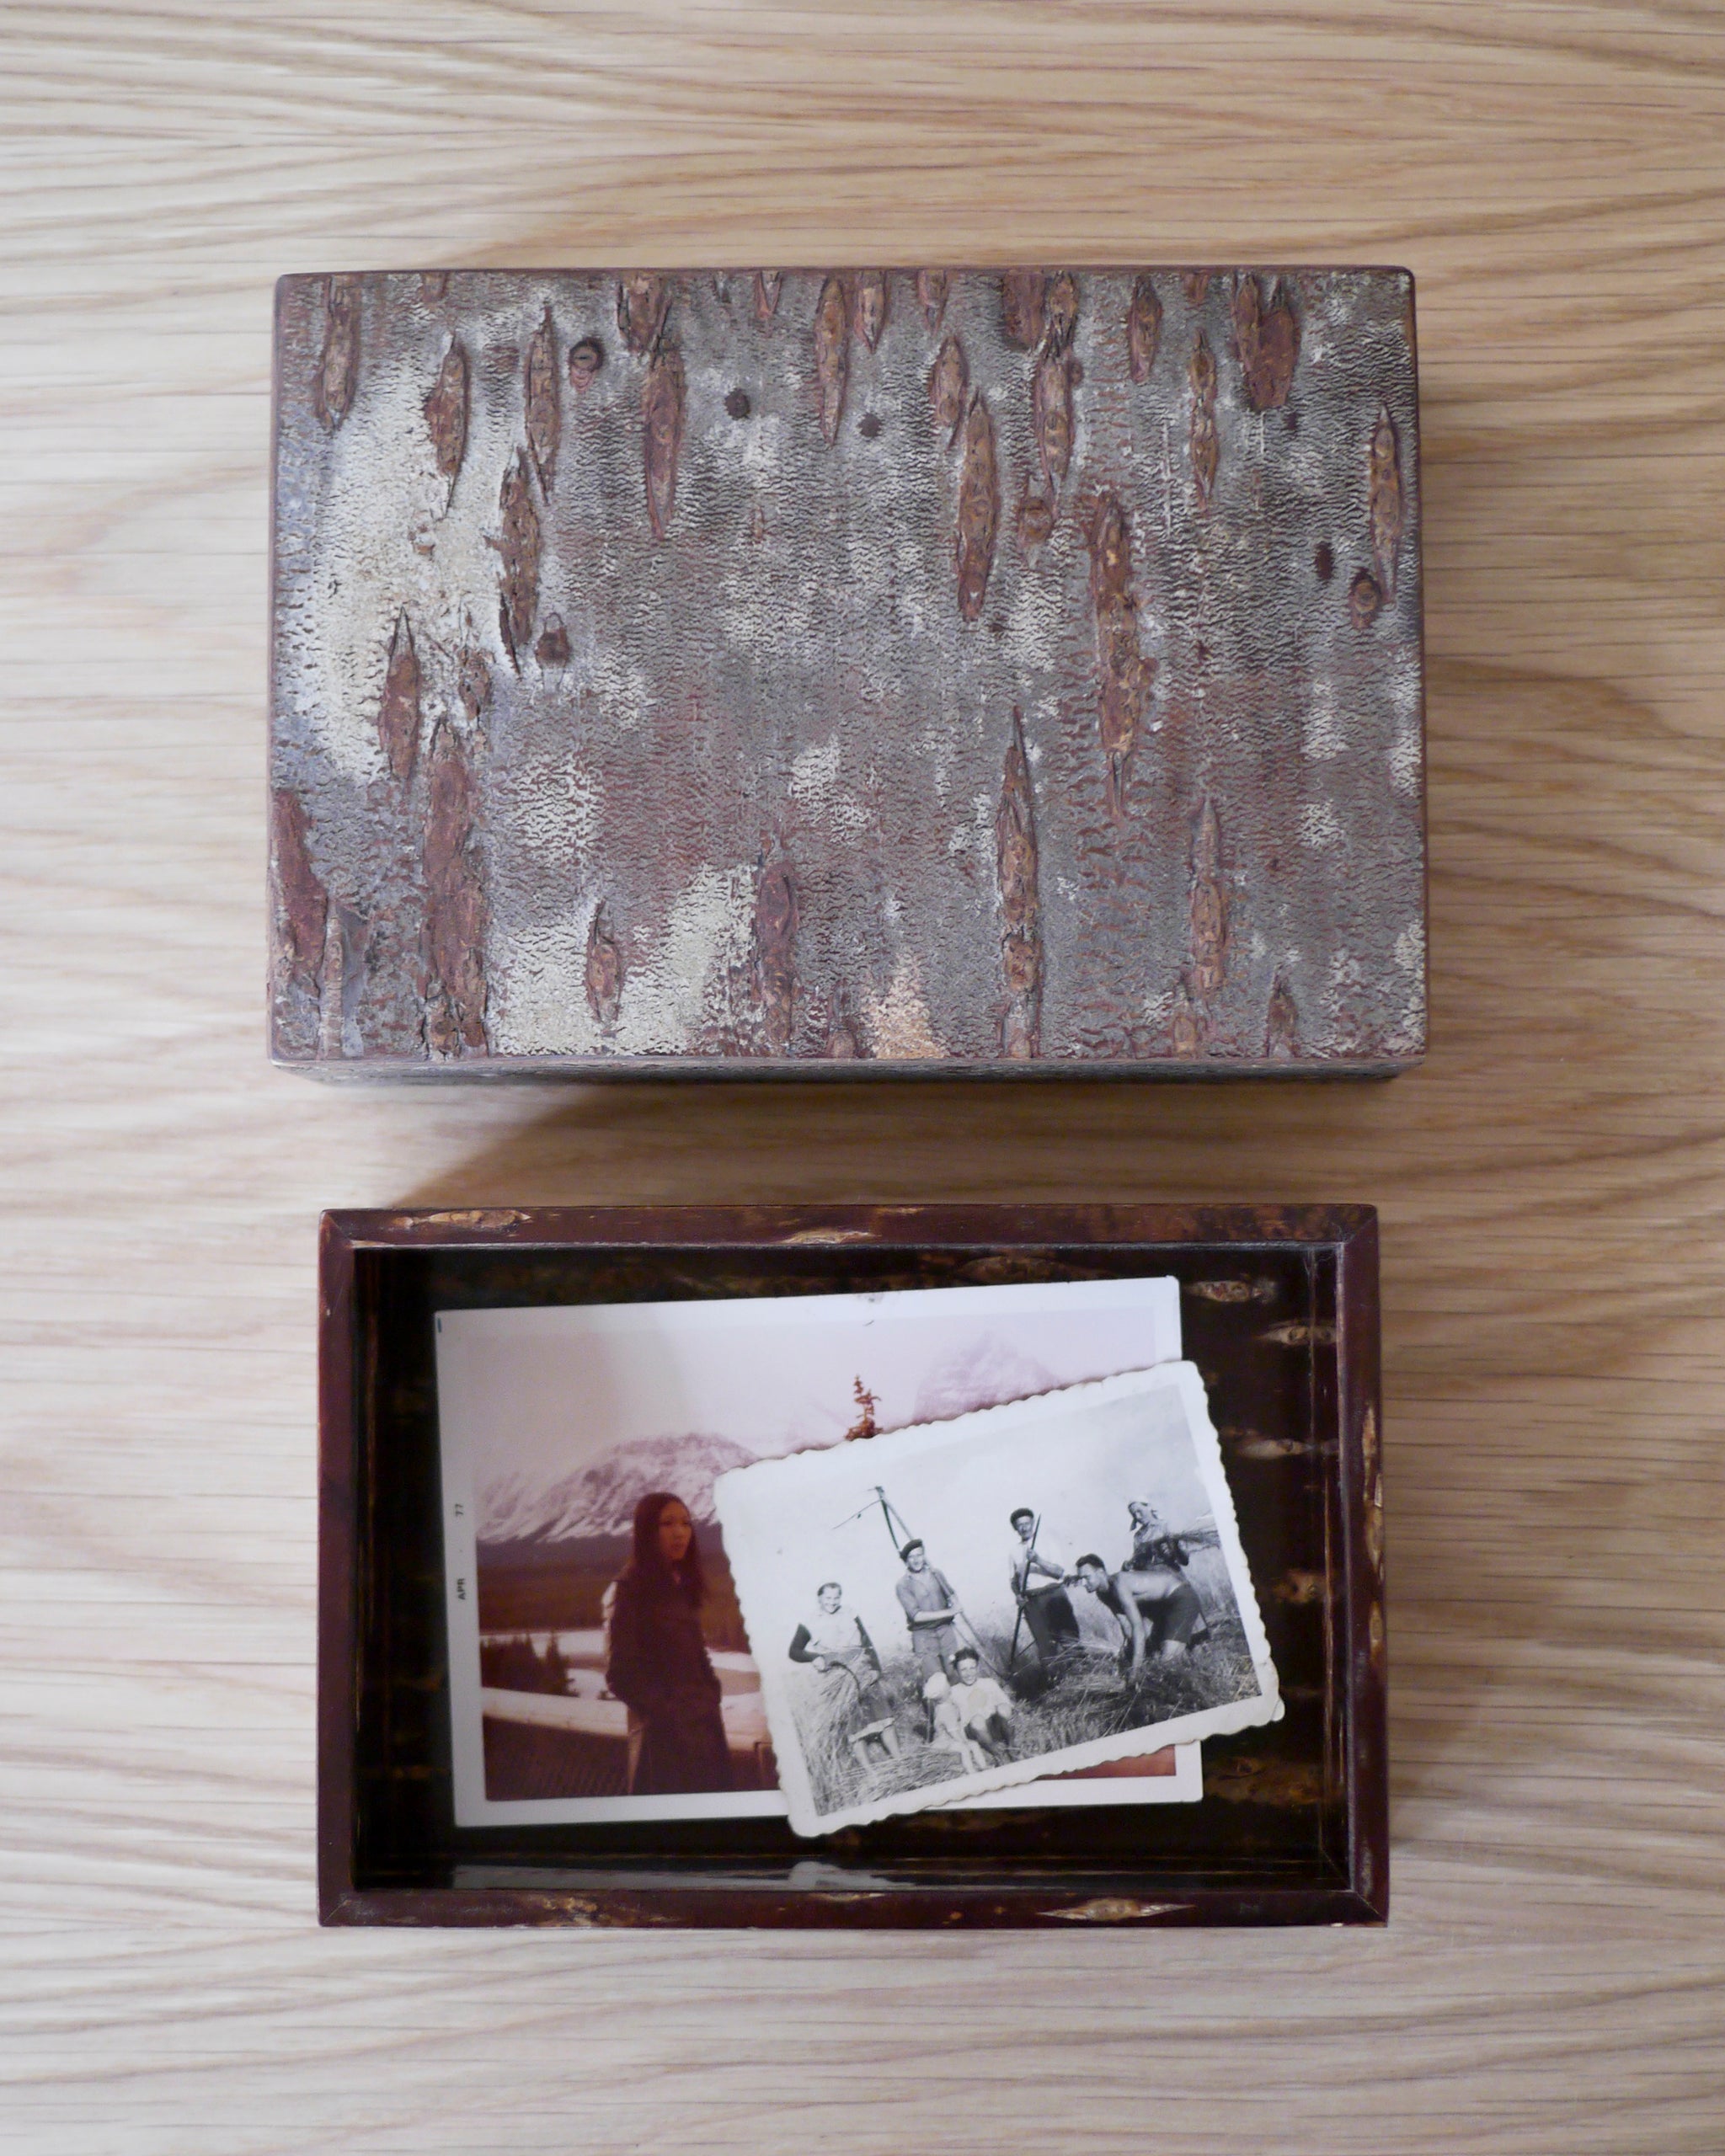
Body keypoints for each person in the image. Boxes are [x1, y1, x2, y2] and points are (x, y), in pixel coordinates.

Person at [604, 1491, 733, 1795]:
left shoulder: (678, 1584)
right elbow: (621, 1675)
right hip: (666, 1744)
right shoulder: (629, 1589)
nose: (680, 1532)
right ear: (647, 1531)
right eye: (667, 1523)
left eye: (686, 1523)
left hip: (704, 1730)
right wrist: (671, 1716)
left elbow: (696, 1654)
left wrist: (710, 1694)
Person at [1071, 1550, 1208, 1676]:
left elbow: (1138, 1629)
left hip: (1180, 1598)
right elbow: (1126, 1625)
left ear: (1100, 1573)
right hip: (1161, 1608)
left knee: (1167, 1663)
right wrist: (1130, 1654)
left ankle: (1202, 1673)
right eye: (1080, 1579)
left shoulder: (1120, 1585)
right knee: (1155, 1658)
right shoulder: (1102, 1593)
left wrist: (1135, 1670)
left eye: (1086, 1577)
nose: (1083, 1583)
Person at [1007, 1507, 1081, 1667]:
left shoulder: (1048, 1542)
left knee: (1069, 1639)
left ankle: (1082, 1676)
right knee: (1045, 1646)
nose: (1024, 1527)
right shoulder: (1013, 1551)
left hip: (1054, 1595)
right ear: (1015, 1528)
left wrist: (1038, 1560)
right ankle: (1056, 1684)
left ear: (1033, 1523)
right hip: (1032, 1602)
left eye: (1027, 1523)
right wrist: (1018, 1595)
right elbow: (1013, 1580)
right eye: (1020, 1525)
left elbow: (1059, 1572)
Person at [788, 1581, 883, 1703]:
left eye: (836, 1598)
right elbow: (794, 1651)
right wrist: (814, 1657)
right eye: (828, 1598)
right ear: (819, 1598)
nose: (832, 1602)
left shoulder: (850, 1613)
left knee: (878, 1712)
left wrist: (876, 1667)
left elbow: (866, 1641)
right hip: (835, 1671)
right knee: (846, 1712)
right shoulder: (810, 1620)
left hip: (860, 1665)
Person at [948, 1646, 1015, 1766]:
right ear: (957, 1671)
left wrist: (1000, 1709)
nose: (969, 1674)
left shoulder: (988, 1683)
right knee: (978, 1720)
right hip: (974, 1730)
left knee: (1002, 1709)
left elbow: (1006, 1704)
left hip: (993, 1724)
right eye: (963, 1670)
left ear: (977, 1668)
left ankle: (1012, 1746)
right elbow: (953, 1720)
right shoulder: (953, 1692)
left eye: (972, 1668)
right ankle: (998, 1753)